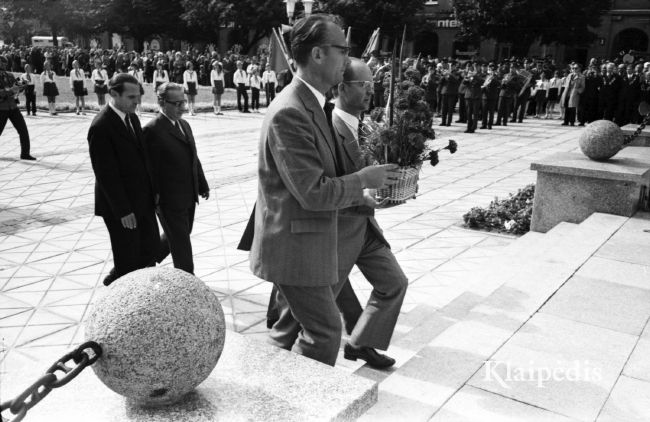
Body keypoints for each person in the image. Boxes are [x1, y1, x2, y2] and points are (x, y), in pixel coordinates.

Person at [245, 14, 399, 366]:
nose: (347, 58)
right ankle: (295, 405)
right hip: (295, 245)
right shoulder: (292, 111)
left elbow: (324, 177)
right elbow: (313, 192)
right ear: (317, 54)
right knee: (324, 331)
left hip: (310, 240)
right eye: (342, 49)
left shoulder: (313, 104)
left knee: (313, 329)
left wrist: (363, 196)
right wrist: (363, 180)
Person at [331, 58, 408, 368]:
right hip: (337, 229)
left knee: (394, 282)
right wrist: (363, 193)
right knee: (315, 303)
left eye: (372, 86)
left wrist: (390, 190)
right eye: (363, 85)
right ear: (341, 87)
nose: (370, 92)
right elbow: (326, 184)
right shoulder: (328, 128)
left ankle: (361, 343)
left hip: (366, 228)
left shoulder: (368, 128)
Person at [87, 73, 159, 286]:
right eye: (131, 97)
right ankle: (126, 296)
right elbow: (106, 175)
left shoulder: (132, 118)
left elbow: (142, 158)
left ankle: (132, 285)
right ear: (113, 94)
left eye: (138, 96)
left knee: (150, 248)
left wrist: (153, 190)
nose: (136, 102)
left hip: (142, 199)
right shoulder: (101, 126)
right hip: (121, 206)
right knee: (128, 256)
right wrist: (123, 211)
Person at [145, 83, 209, 275]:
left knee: (180, 234)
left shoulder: (184, 124)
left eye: (183, 101)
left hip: (188, 194)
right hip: (168, 199)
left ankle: (143, 258)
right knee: (181, 242)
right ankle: (188, 281)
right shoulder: (152, 130)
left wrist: (202, 184)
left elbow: (193, 156)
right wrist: (154, 197)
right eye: (176, 103)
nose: (182, 107)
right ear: (161, 102)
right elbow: (149, 169)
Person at [0, 56, 36, 160]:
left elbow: (17, 87)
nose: (3, 65)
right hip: (2, 108)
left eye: (5, 63)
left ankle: (25, 153)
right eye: (1, 63)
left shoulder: (9, 75)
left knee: (23, 130)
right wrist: (10, 90)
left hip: (13, 107)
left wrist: (22, 84)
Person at [480, 64, 500, 129]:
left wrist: (493, 78)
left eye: (492, 70)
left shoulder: (496, 77)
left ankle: (490, 125)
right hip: (485, 96)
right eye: (489, 70)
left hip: (492, 97)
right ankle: (484, 124)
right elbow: (483, 84)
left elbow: (499, 84)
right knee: (484, 111)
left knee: (491, 112)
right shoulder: (486, 76)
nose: (490, 71)